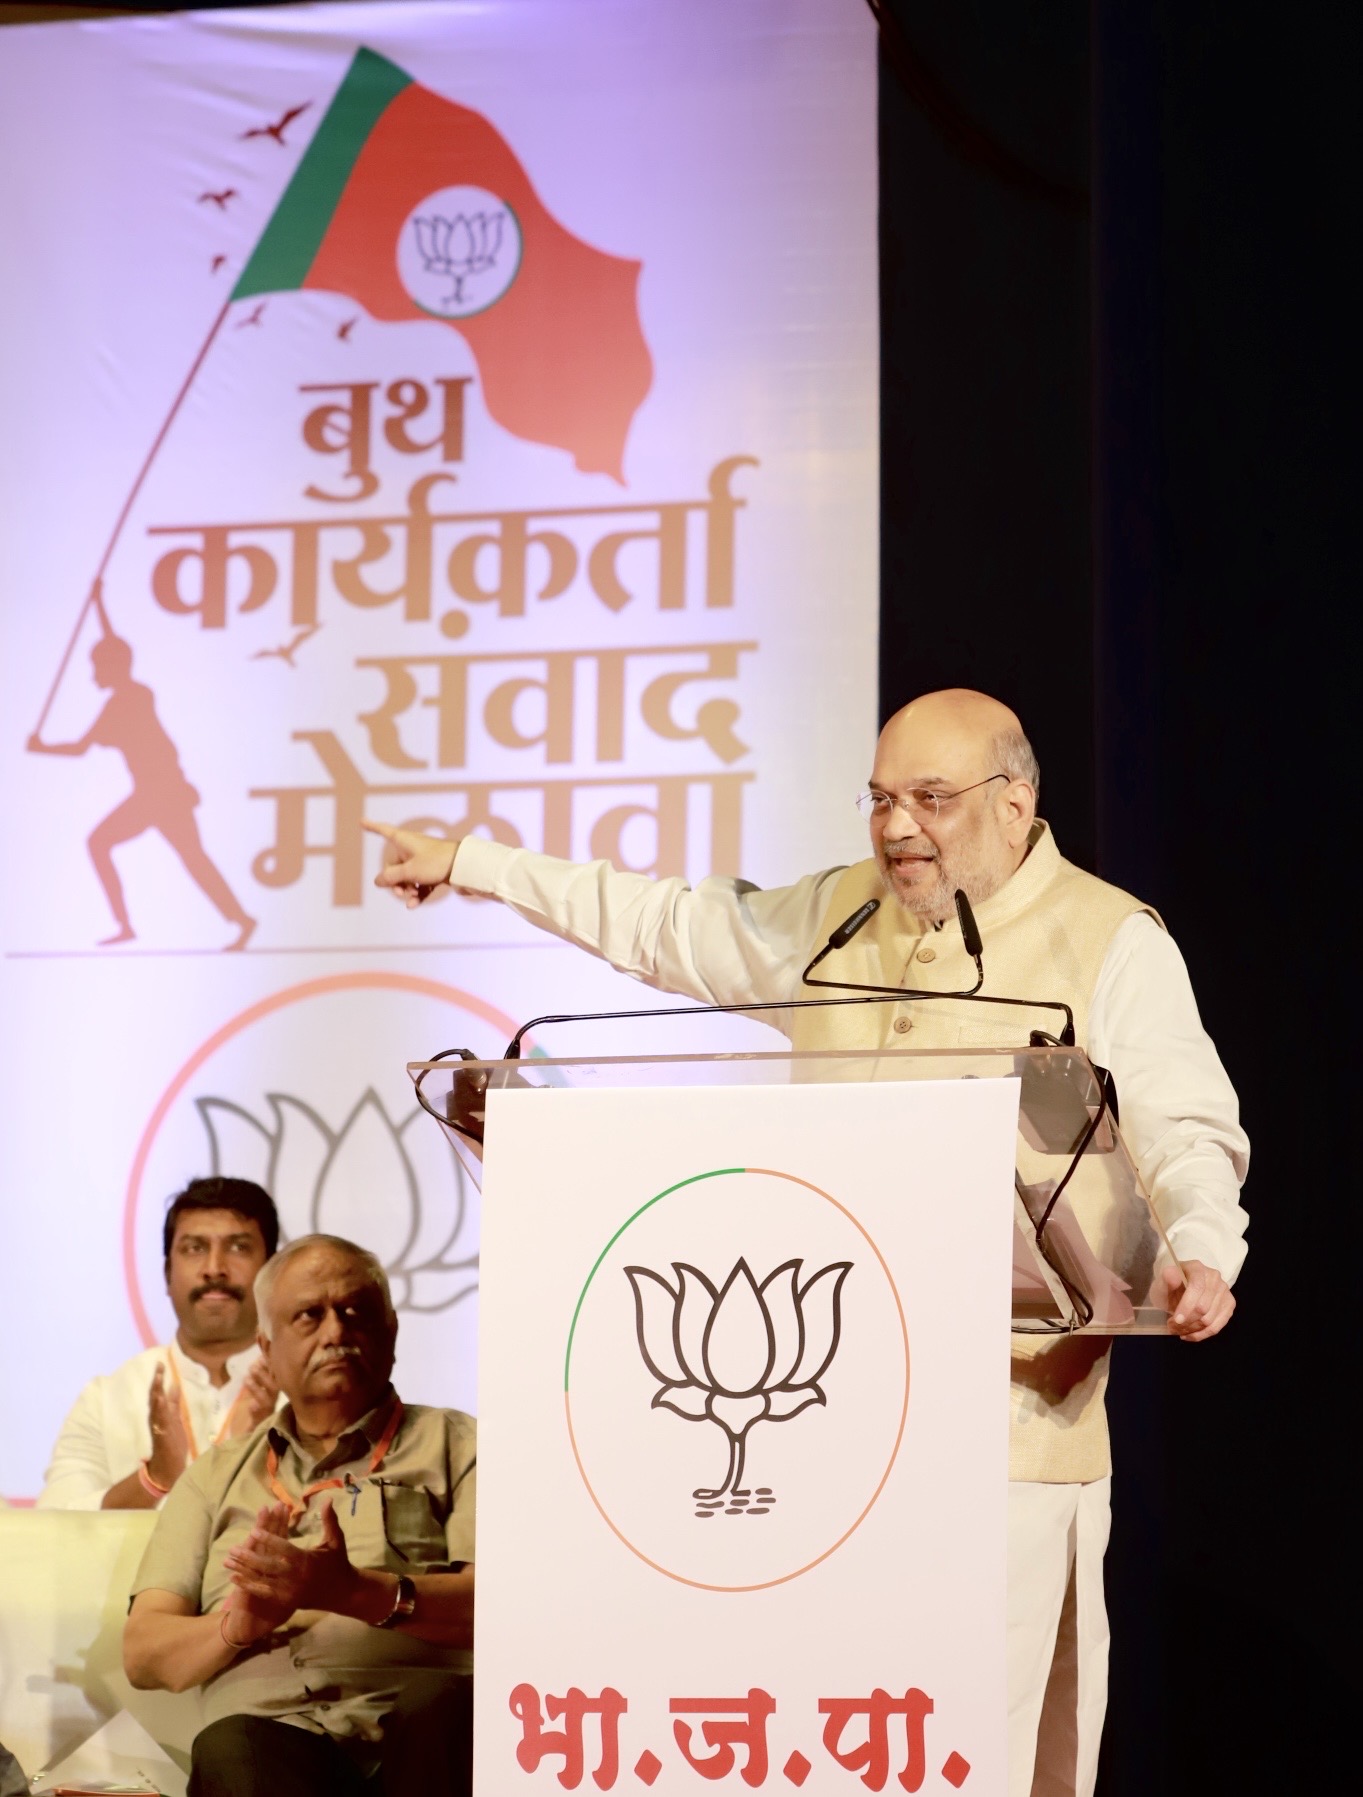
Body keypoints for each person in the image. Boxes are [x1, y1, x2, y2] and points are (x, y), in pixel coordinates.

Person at [363, 687, 1249, 1797]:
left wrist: (1204, 1245)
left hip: (1010, 1431)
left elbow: (1185, 1123)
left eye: (929, 799)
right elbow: (663, 924)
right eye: (879, 799)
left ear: (1015, 803)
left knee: (989, 1757)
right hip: (827, 1432)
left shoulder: (1110, 938)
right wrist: (471, 863)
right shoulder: (837, 916)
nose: (894, 829)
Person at [123, 1233, 476, 1797]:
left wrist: (359, 1593)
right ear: (266, 1348)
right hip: (269, 1744)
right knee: (231, 1747)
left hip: (420, 1732)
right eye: (309, 1316)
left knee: (446, 1711)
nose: (336, 1332)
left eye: (355, 1312)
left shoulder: (457, 1444)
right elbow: (143, 1654)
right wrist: (235, 1627)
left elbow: (505, 1610)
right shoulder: (214, 1477)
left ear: (391, 1333)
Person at [38, 1176, 280, 1511]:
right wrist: (153, 1480)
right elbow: (55, 1529)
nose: (214, 1269)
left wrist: (269, 1459)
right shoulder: (106, 1400)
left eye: (238, 1247)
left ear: (273, 1273)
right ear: (167, 1273)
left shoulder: (310, 1395)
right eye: (194, 1248)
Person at [27, 632, 255, 950]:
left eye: (98, 666)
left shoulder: (130, 699)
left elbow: (79, 748)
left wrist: (41, 748)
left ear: (113, 667)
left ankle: (235, 920)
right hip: (154, 795)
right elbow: (114, 646)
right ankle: (235, 920)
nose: (94, 674)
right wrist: (98, 602)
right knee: (187, 857)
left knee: (181, 856)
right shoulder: (125, 699)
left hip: (162, 794)